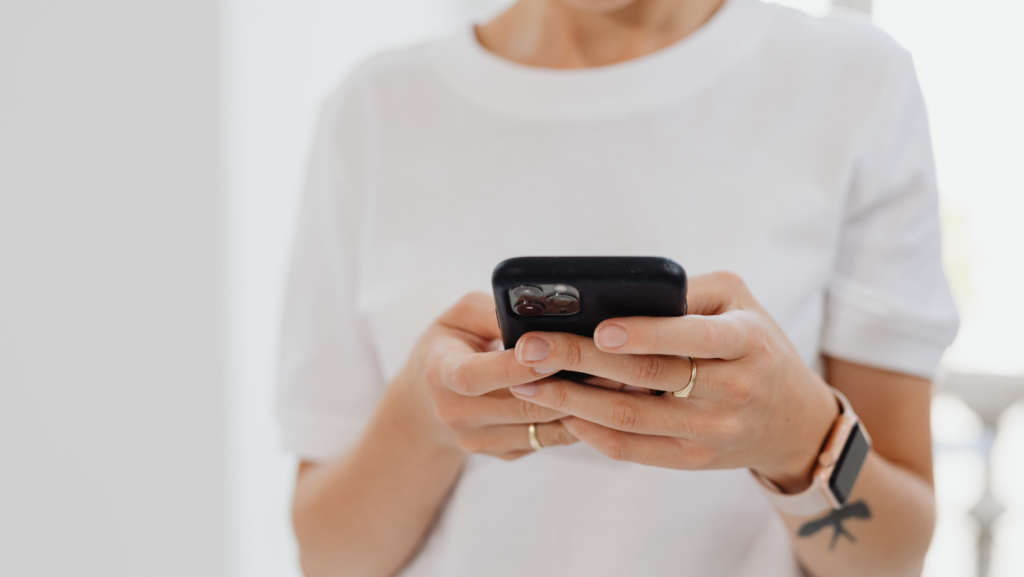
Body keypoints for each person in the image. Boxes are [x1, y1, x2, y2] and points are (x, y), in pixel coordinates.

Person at [277, 0, 960, 575]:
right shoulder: (373, 112)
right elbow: (330, 556)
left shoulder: (855, 82)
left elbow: (893, 556)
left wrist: (799, 437)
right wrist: (419, 421)